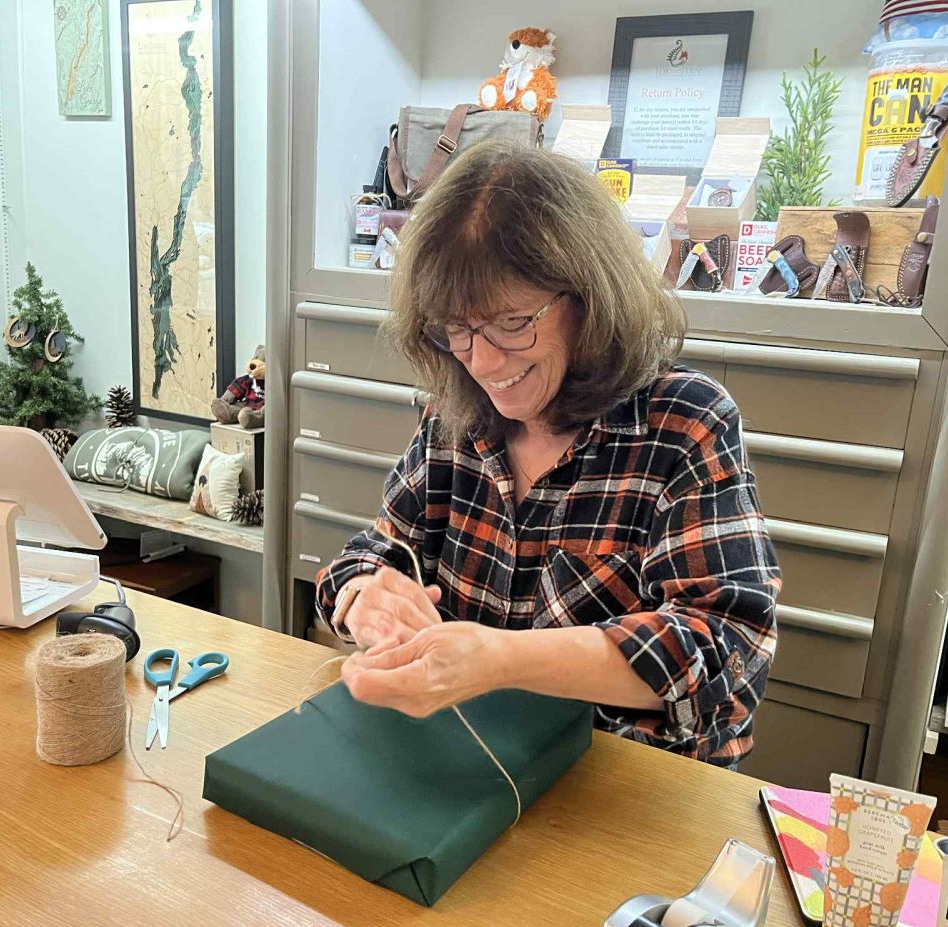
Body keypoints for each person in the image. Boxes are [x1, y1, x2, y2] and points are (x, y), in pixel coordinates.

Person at [315, 140, 779, 767]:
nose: (481, 362)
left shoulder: (683, 423)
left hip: (623, 785)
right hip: (473, 761)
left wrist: (500, 661)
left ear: (589, 299)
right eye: (456, 329)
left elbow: (727, 651)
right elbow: (373, 551)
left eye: (511, 324)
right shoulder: (453, 417)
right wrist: (365, 596)